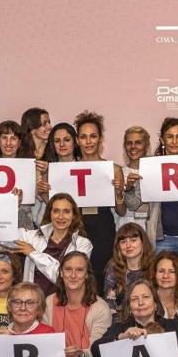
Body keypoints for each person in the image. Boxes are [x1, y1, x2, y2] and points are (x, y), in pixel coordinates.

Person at [125, 118, 178, 289]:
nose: (174, 141)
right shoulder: (150, 166)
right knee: (162, 289)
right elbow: (134, 204)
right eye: (169, 137)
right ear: (162, 140)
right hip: (162, 240)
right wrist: (128, 189)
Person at [74, 111, 128, 278]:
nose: (88, 141)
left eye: (93, 136)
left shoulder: (114, 169)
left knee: (103, 278)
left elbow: (121, 211)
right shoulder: (68, 169)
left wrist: (119, 193)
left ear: (100, 139)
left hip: (104, 230)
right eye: (83, 137)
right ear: (77, 140)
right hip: (77, 229)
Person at [15, 192, 94, 298]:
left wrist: (33, 253)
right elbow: (5, 236)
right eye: (56, 211)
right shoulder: (33, 237)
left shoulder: (83, 244)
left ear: (74, 215)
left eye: (66, 212)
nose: (61, 217)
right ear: (50, 214)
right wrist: (13, 206)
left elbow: (66, 278)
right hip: (33, 305)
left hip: (64, 305)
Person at [103, 222, 154, 311]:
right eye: (123, 242)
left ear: (143, 242)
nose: (128, 245)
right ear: (118, 246)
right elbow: (109, 301)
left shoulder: (154, 266)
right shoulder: (113, 266)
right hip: (120, 320)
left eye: (133, 240)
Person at [117, 125, 151, 229]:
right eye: (129, 143)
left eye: (138, 142)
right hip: (125, 227)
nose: (133, 147)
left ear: (146, 146)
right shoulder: (119, 172)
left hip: (150, 227)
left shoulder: (154, 171)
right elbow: (119, 211)